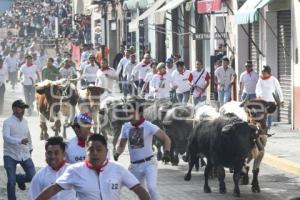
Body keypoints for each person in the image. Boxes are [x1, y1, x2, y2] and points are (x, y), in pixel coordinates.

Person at [35, 134, 151, 200]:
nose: (95, 153)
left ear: (106, 151)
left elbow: (139, 190)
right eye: (91, 150)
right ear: (86, 151)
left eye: (99, 150)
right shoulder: (75, 170)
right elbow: (54, 189)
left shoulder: (118, 169)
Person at [114, 96, 171, 200]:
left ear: (139, 113)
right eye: (128, 113)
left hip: (149, 164)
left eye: (132, 113)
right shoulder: (126, 127)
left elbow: (166, 139)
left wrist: (167, 152)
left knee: (152, 188)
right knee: (127, 189)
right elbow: (121, 145)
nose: (129, 115)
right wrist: (117, 153)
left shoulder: (149, 126)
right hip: (134, 166)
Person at [2, 99, 36, 200]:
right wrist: (19, 141)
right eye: (21, 108)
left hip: (24, 154)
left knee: (33, 177)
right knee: (11, 182)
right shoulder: (8, 122)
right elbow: (6, 137)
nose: (23, 110)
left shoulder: (25, 121)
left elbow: (28, 136)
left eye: (24, 108)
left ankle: (19, 178)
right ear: (14, 109)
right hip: (10, 155)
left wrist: (30, 148)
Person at [256, 65, 284, 129]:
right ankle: (264, 127)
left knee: (269, 114)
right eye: (262, 72)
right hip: (263, 100)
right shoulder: (260, 80)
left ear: (268, 72)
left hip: (271, 100)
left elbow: (279, 89)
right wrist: (259, 95)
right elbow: (257, 88)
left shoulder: (273, 79)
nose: (262, 73)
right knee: (263, 114)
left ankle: (269, 127)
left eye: (264, 72)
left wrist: (281, 100)